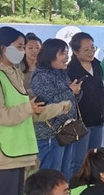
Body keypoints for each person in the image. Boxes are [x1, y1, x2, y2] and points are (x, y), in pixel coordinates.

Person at [0, 27, 71, 195]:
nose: (23, 51)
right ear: (3, 48)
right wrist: (29, 107)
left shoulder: (15, 73)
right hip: (5, 152)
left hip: (20, 151)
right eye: (20, 47)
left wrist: (59, 108)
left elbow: (31, 112)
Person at [30, 38, 84, 179]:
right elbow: (50, 103)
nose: (66, 57)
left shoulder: (61, 73)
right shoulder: (41, 77)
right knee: (51, 175)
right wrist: (70, 91)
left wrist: (76, 92)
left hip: (66, 131)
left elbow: (70, 101)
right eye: (62, 53)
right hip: (50, 133)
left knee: (64, 173)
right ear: (50, 55)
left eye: (67, 53)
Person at [67, 32, 104, 173]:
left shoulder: (97, 65)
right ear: (75, 51)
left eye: (92, 47)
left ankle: (91, 184)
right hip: (80, 122)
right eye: (86, 49)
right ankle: (76, 185)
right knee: (78, 160)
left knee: (94, 159)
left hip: (98, 119)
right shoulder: (70, 69)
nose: (91, 52)